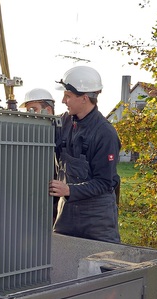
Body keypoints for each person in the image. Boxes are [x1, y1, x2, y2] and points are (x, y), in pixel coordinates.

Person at [48, 66, 121, 243]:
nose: (63, 100)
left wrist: (69, 190)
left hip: (97, 220)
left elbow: (104, 182)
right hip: (67, 214)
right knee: (61, 260)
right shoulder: (63, 122)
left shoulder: (105, 133)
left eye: (68, 96)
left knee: (100, 265)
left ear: (84, 98)